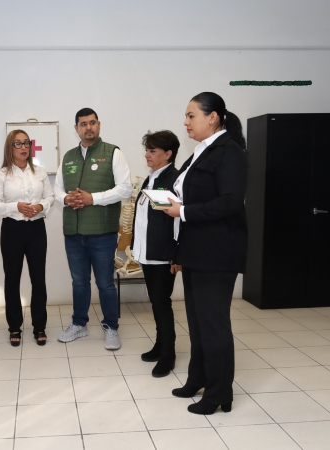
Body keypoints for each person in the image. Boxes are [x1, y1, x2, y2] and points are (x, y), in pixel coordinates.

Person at [165, 92, 248, 415]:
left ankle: (219, 393)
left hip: (217, 252)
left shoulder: (230, 152)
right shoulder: (201, 151)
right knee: (198, 324)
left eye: (191, 116)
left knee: (214, 326)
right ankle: (197, 379)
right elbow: (192, 194)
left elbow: (230, 201)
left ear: (212, 118)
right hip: (196, 251)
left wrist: (183, 211)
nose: (186, 122)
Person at [55, 108, 131, 350]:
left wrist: (93, 199)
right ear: (76, 128)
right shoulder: (68, 157)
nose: (88, 127)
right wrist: (66, 199)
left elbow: (125, 188)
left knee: (105, 283)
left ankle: (111, 327)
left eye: (92, 123)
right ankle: (79, 324)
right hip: (74, 233)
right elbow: (56, 189)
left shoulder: (113, 153)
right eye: (83, 124)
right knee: (79, 282)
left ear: (98, 125)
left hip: (102, 233)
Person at [0, 129, 54, 346]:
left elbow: (50, 197)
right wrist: (15, 206)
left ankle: (39, 326)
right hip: (12, 230)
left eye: (26, 143)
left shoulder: (40, 172)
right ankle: (14, 327)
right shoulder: (2, 174)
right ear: (10, 147)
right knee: (12, 280)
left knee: (39, 279)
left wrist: (40, 206)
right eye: (18, 143)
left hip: (36, 229)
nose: (23, 147)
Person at [131, 130, 181, 378]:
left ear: (168, 154)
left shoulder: (174, 179)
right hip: (148, 253)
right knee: (156, 302)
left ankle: (168, 354)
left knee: (162, 303)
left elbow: (179, 220)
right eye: (147, 150)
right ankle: (160, 345)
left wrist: (177, 254)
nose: (147, 155)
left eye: (152, 151)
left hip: (163, 255)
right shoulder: (151, 179)